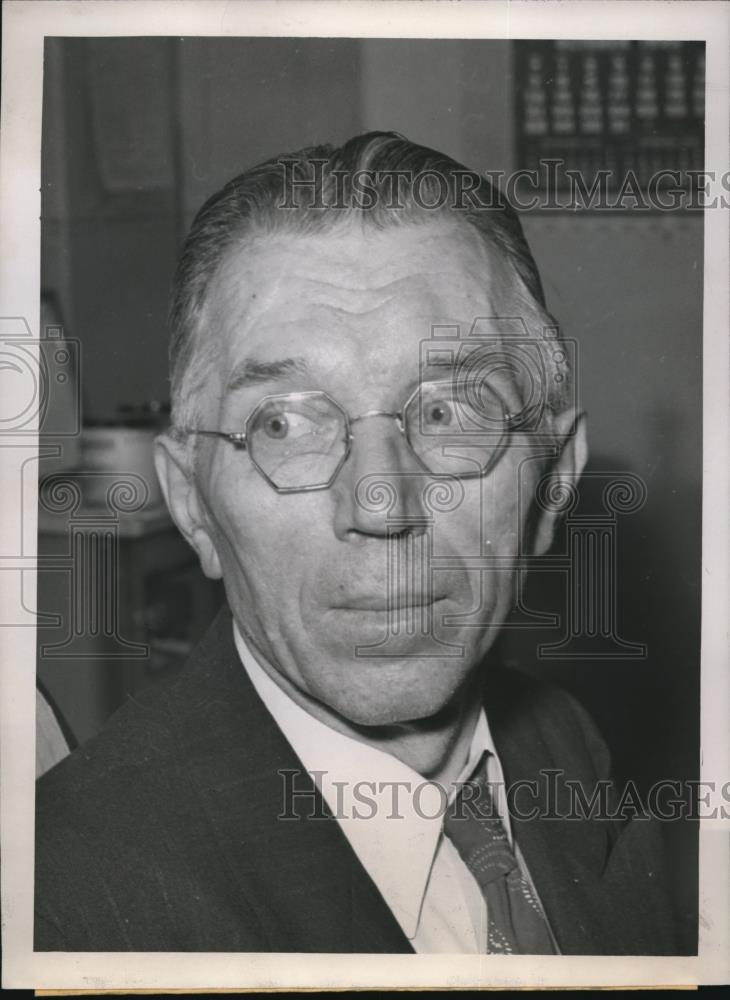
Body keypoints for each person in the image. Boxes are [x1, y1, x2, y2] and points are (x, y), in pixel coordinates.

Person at [35, 132, 675, 954]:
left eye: (447, 412)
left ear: (553, 483)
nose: (379, 505)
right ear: (193, 502)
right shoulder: (72, 912)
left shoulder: (563, 744)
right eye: (284, 423)